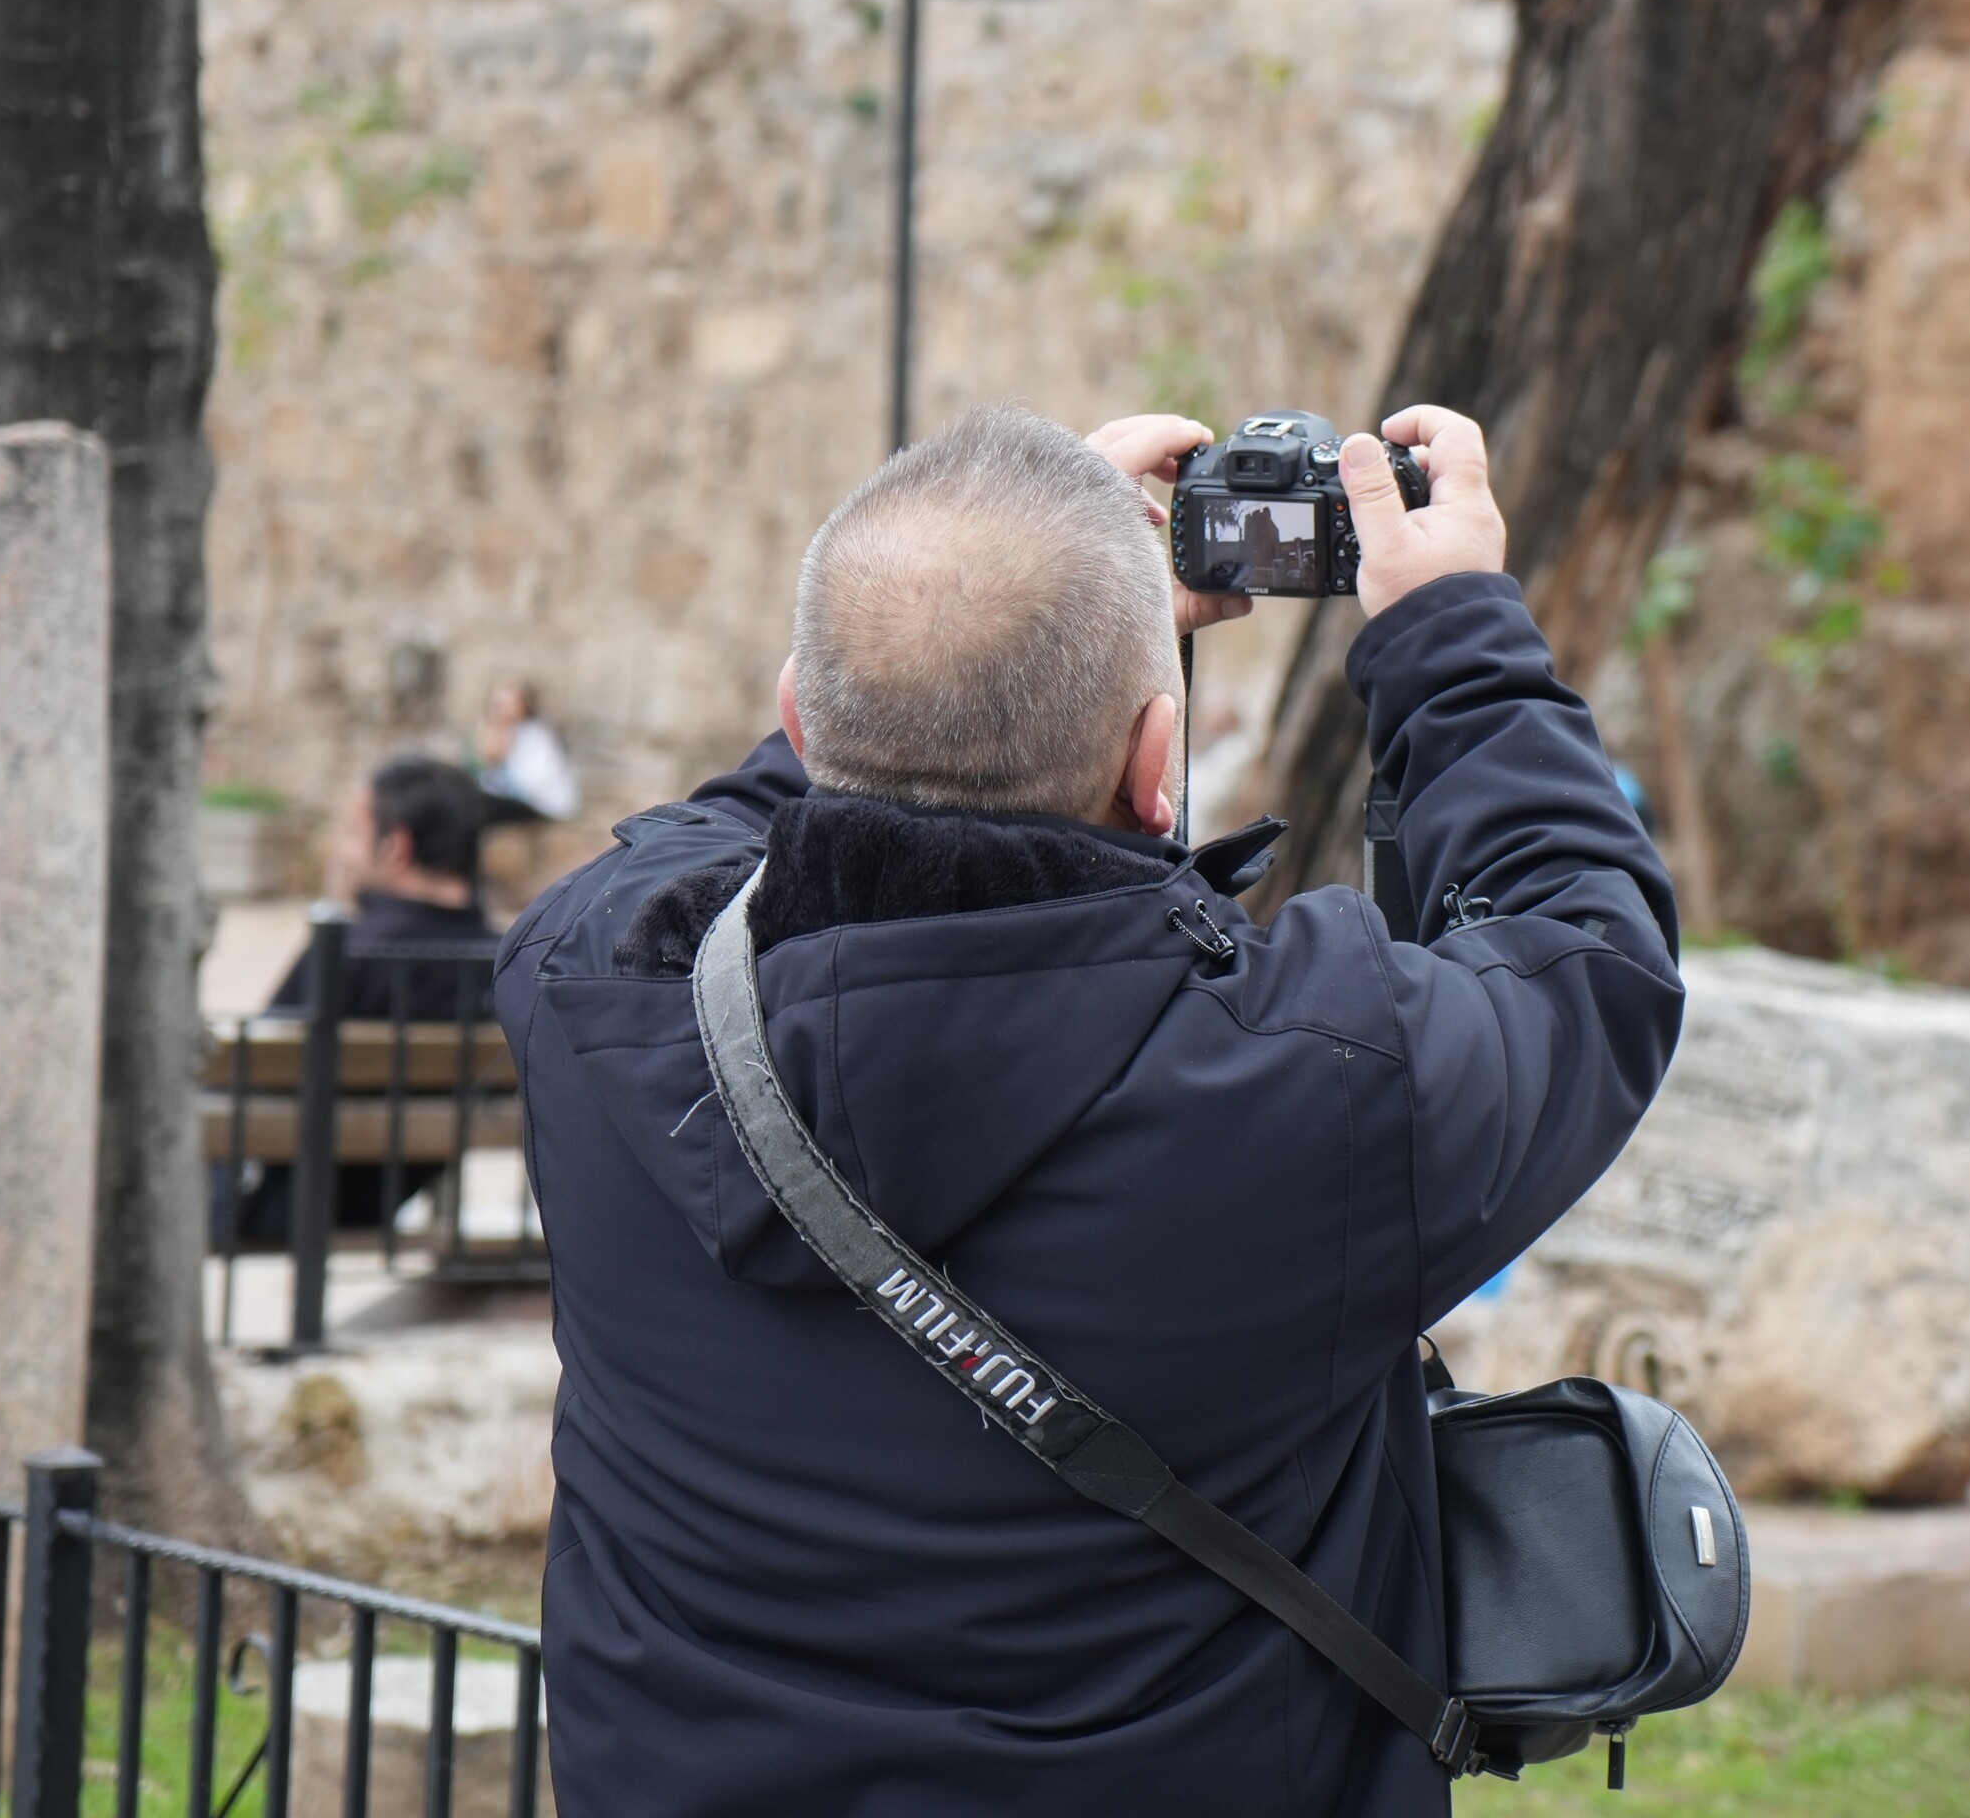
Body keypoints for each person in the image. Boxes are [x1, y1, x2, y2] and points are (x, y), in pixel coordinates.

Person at [500, 403, 1681, 1815]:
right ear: (1157, 759)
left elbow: (725, 829)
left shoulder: (591, 987)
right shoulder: (1319, 1086)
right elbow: (1590, 958)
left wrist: (993, 614)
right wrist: (1454, 637)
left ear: (803, 718)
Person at [216, 756, 498, 1250]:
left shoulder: (350, 953)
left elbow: (250, 1071)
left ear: (396, 846)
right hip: (390, 1189)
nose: (340, 853)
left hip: (283, 1202)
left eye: (350, 835)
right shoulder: (506, 960)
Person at [475, 676, 580, 823]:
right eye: (499, 704)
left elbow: (536, 784)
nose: (502, 709)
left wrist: (505, 760)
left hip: (542, 806)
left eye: (509, 703)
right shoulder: (498, 733)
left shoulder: (537, 735)